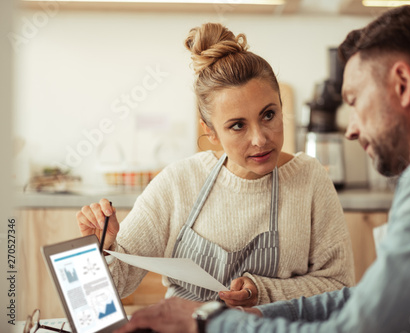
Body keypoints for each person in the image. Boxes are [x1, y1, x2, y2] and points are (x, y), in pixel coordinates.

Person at [114, 5, 410, 333]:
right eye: (237, 125)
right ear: (210, 133)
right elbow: (357, 302)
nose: (350, 128)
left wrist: (210, 321)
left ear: (401, 84)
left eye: (354, 100)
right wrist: (248, 314)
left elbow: (359, 327)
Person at [77, 22, 354, 308]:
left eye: (269, 115)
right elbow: (113, 289)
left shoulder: (309, 180)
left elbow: (339, 287)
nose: (260, 139)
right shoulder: (178, 183)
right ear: (210, 132)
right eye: (237, 125)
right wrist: (103, 248)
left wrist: (263, 292)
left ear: (282, 109)